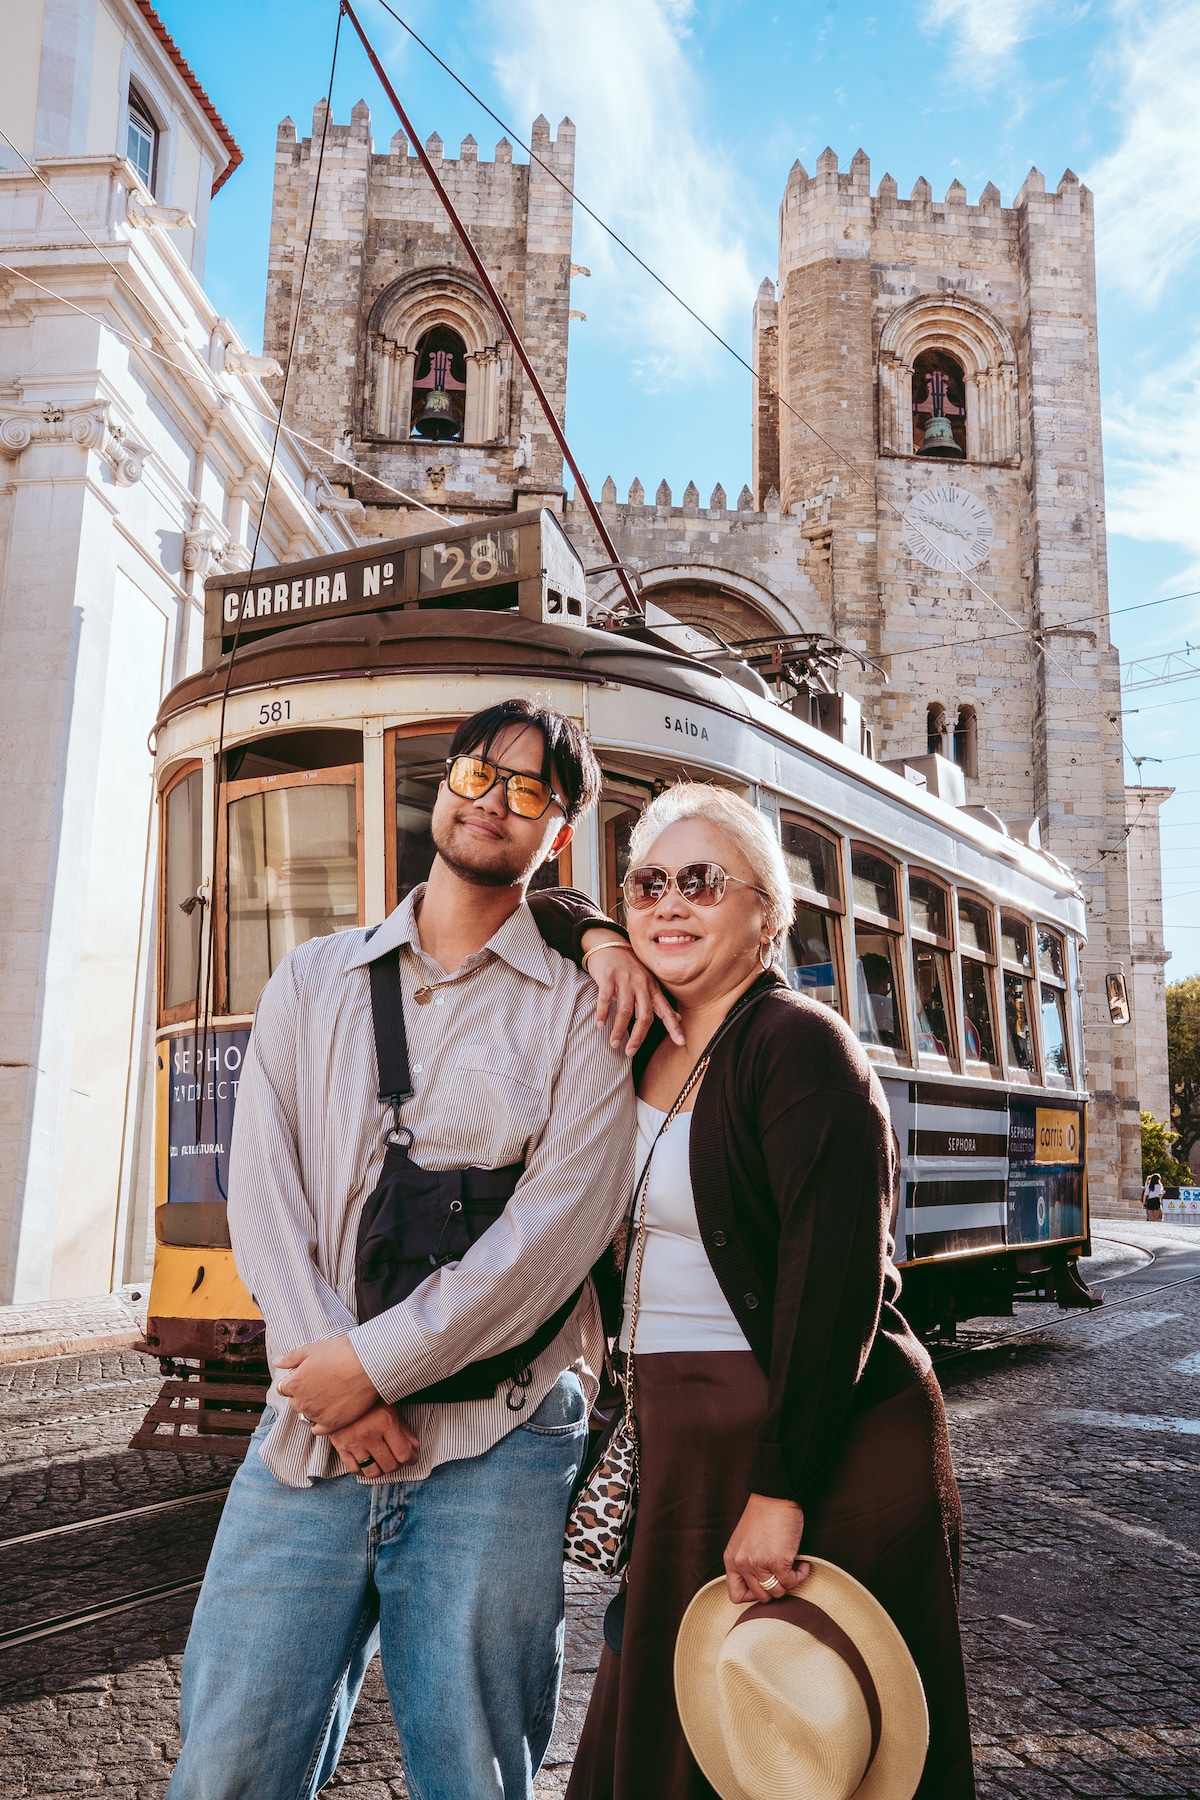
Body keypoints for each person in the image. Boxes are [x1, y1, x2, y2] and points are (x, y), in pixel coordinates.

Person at [167, 699, 680, 1800]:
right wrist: (335, 1389)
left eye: (532, 790)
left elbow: (551, 1241)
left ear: (559, 833)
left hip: (498, 1443)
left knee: (473, 1777)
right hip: (309, 1440)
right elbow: (264, 1195)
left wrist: (368, 1368)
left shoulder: (588, 1012)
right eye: (478, 772)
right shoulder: (313, 978)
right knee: (225, 1770)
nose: (496, 800)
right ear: (443, 785)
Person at [567, 782, 975, 1800]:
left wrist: (781, 1489)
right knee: (679, 1725)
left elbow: (833, 1284)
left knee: (793, 1738)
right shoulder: (641, 1038)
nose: (669, 903)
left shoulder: (798, 1045)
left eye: (703, 882)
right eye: (647, 884)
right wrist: (595, 939)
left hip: (804, 1438)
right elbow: (536, 904)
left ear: (768, 916)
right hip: (682, 1437)